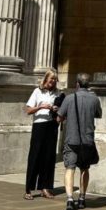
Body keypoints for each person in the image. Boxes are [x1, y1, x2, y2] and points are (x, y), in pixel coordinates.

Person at [57, 72, 101, 210]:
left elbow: (59, 118)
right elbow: (98, 114)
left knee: (70, 168)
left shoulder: (69, 98)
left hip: (72, 139)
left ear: (77, 84)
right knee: (85, 169)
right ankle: (82, 198)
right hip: (87, 140)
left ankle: (70, 199)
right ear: (88, 85)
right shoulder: (94, 99)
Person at [24, 69, 63, 200]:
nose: (53, 81)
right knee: (35, 156)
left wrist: (56, 110)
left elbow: (62, 113)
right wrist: (41, 107)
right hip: (39, 126)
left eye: (55, 79)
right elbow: (28, 110)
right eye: (51, 79)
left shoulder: (58, 93)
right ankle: (28, 189)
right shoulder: (37, 91)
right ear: (46, 79)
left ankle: (45, 188)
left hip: (52, 126)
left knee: (49, 158)